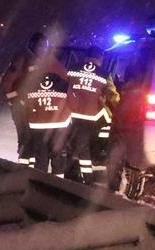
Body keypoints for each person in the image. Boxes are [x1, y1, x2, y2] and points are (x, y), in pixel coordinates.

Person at [66, 47, 118, 184]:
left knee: (72, 144)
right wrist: (120, 109)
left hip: (70, 115)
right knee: (83, 147)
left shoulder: (72, 68)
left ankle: (70, 175)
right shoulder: (103, 74)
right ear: (100, 58)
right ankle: (87, 179)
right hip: (90, 116)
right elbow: (112, 95)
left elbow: (65, 87)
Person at [0, 32, 49, 165]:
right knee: (25, 138)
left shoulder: (40, 61)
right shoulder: (22, 59)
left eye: (46, 47)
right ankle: (22, 167)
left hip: (31, 108)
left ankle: (30, 168)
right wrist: (15, 101)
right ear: (32, 44)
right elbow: (6, 82)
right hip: (20, 108)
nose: (44, 50)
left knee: (32, 139)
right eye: (41, 46)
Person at [21, 66, 73, 176]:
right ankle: (58, 183)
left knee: (41, 157)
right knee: (58, 157)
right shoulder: (64, 84)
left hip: (38, 126)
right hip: (59, 126)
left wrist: (31, 117)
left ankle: (39, 180)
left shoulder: (33, 85)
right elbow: (73, 102)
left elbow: (25, 105)